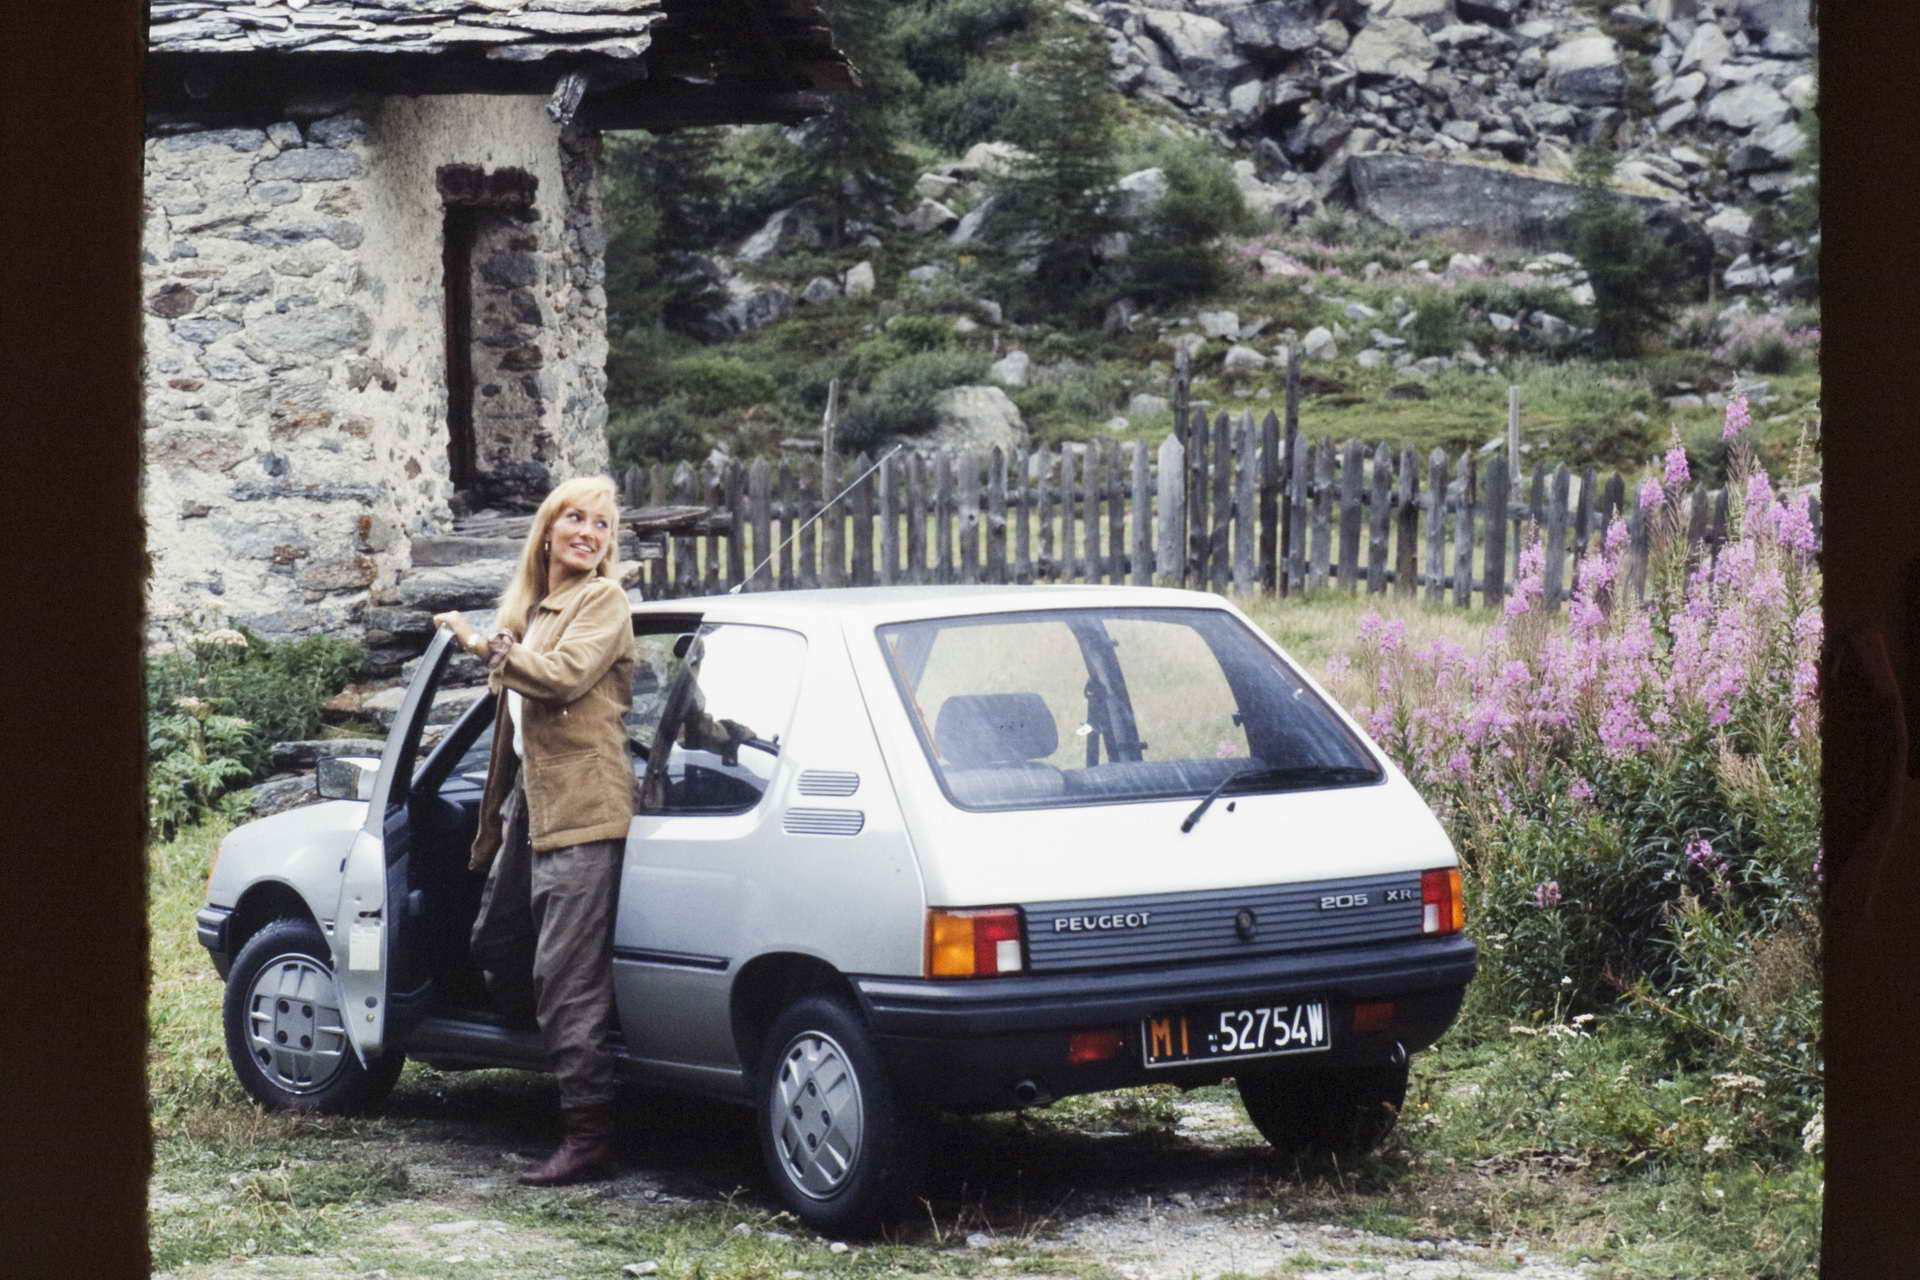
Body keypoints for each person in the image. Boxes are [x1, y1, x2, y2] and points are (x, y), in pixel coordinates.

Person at [432, 474, 635, 1187]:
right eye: (575, 518)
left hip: (585, 806)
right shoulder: (538, 612)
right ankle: (553, 1063)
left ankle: (588, 1133)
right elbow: (517, 723)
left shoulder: (602, 600)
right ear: (547, 531)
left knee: (566, 977)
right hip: (535, 802)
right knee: (497, 940)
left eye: (602, 525)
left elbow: (562, 678)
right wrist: (502, 642)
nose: (588, 532)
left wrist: (484, 646)